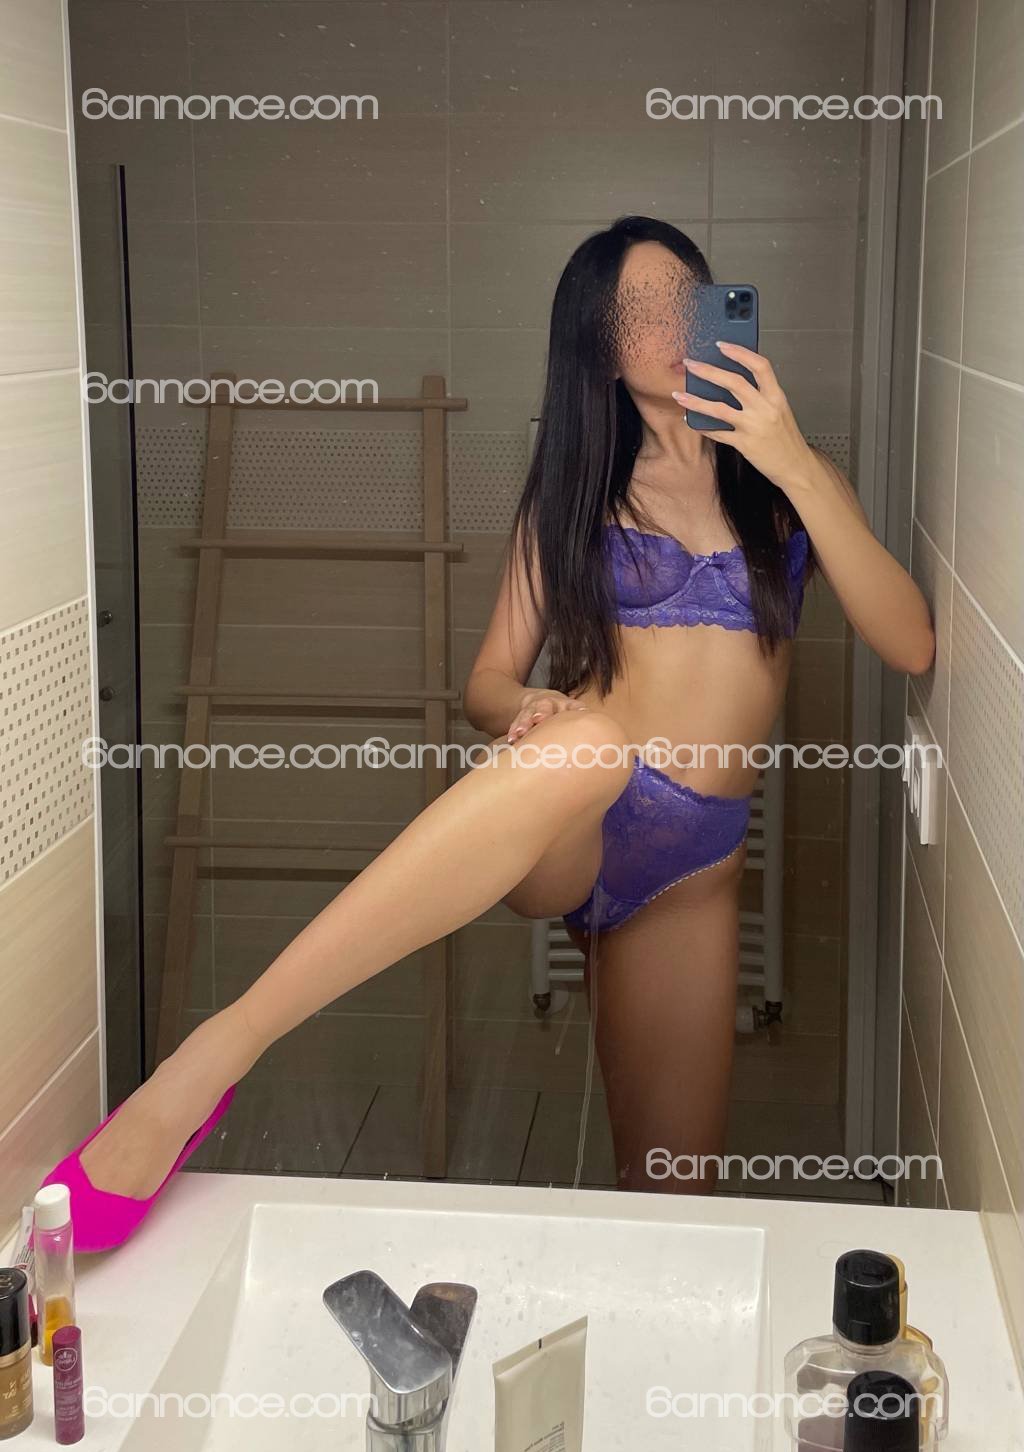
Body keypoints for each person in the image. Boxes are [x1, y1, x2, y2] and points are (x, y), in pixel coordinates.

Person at [47, 217, 933, 1241]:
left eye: (685, 298)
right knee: (592, 743)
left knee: (672, 1204)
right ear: (600, 346)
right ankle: (210, 1059)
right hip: (579, 815)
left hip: (696, 867)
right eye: (639, 312)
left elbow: (910, 641)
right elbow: (486, 683)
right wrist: (527, 708)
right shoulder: (572, 495)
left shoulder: (787, 487)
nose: (670, 326)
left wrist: (792, 461)